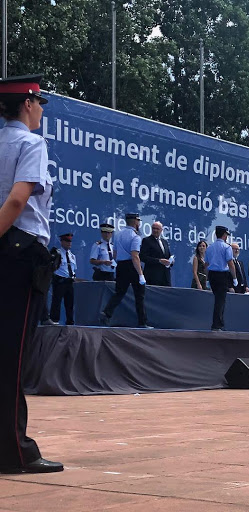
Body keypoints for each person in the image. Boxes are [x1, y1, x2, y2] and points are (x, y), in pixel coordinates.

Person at [0, 74, 63, 473]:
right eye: (39, 103)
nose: (40, 110)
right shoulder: (31, 143)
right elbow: (18, 199)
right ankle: (14, 451)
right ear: (27, 103)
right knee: (13, 356)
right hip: (20, 254)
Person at [100, 213, 151, 328]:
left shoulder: (118, 234)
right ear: (135, 222)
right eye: (138, 220)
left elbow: (115, 252)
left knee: (119, 292)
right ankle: (142, 322)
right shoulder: (135, 237)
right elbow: (135, 256)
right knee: (139, 295)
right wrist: (140, 274)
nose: (139, 223)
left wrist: (115, 262)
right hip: (132, 266)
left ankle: (107, 313)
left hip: (121, 266)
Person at [205, 226, 237, 330]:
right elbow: (230, 263)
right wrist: (234, 278)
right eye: (226, 235)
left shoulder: (209, 247)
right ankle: (216, 325)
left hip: (212, 275)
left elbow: (206, 264)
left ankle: (220, 323)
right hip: (222, 275)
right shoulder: (226, 247)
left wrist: (207, 279)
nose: (227, 237)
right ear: (224, 235)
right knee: (220, 300)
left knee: (219, 299)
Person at [49, 233, 77, 325]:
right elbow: (52, 267)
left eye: (70, 241)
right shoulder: (57, 253)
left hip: (69, 281)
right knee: (56, 301)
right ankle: (54, 320)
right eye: (67, 241)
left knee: (70, 303)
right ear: (62, 242)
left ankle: (70, 322)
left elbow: (73, 269)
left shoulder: (72, 256)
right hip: (60, 280)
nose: (69, 243)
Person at [140, 221, 174, 286]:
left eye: (157, 229)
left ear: (161, 230)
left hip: (165, 277)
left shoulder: (165, 242)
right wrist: (159, 261)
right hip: (153, 276)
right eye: (153, 228)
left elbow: (168, 255)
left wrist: (171, 261)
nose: (155, 230)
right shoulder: (147, 240)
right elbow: (143, 257)